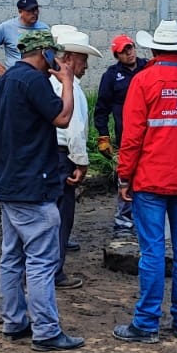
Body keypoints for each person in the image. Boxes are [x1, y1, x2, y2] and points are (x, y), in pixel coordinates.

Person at [111, 21, 177, 343]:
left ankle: (146, 324)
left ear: (154, 49)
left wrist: (124, 176)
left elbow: (132, 137)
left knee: (153, 252)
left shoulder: (143, 81)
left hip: (150, 180)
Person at [0, 28, 85, 351]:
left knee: (11, 256)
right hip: (33, 186)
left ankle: (14, 322)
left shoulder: (6, 80)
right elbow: (63, 118)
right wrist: (66, 80)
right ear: (45, 54)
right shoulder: (35, 81)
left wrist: (4, 150)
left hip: (8, 182)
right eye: (53, 54)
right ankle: (47, 331)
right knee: (40, 260)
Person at [48, 26, 100, 291]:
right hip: (62, 155)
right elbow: (75, 130)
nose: (86, 66)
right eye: (83, 60)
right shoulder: (72, 91)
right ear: (68, 58)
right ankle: (55, 271)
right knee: (62, 214)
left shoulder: (46, 83)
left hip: (45, 155)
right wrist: (81, 162)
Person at [94, 34, 148, 237]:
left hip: (151, 135)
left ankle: (145, 220)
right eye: (124, 50)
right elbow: (101, 109)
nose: (129, 52)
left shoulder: (147, 68)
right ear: (117, 55)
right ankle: (123, 222)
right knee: (126, 176)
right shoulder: (111, 76)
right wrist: (103, 136)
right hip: (125, 136)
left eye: (131, 47)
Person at [0, 0, 49, 75]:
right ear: (20, 11)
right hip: (15, 77)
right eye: (30, 10)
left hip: (38, 77)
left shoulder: (44, 28)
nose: (35, 13)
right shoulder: (7, 27)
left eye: (36, 9)